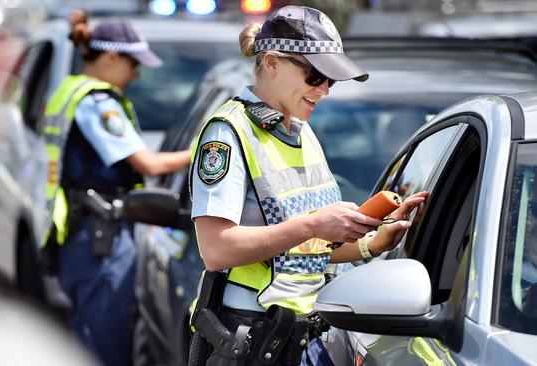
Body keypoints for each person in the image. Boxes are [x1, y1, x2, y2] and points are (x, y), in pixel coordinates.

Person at [187, 6, 428, 366]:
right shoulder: (228, 133)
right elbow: (216, 250)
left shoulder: (301, 132)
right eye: (315, 75)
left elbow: (299, 255)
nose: (325, 90)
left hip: (305, 340)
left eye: (331, 80)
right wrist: (315, 224)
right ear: (271, 62)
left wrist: (371, 243)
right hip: (251, 339)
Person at [42, 11, 191, 365]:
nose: (137, 74)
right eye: (133, 63)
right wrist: (207, 147)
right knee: (104, 342)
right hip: (101, 238)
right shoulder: (97, 103)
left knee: (87, 337)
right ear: (110, 57)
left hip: (79, 232)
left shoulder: (67, 90)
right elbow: (150, 165)